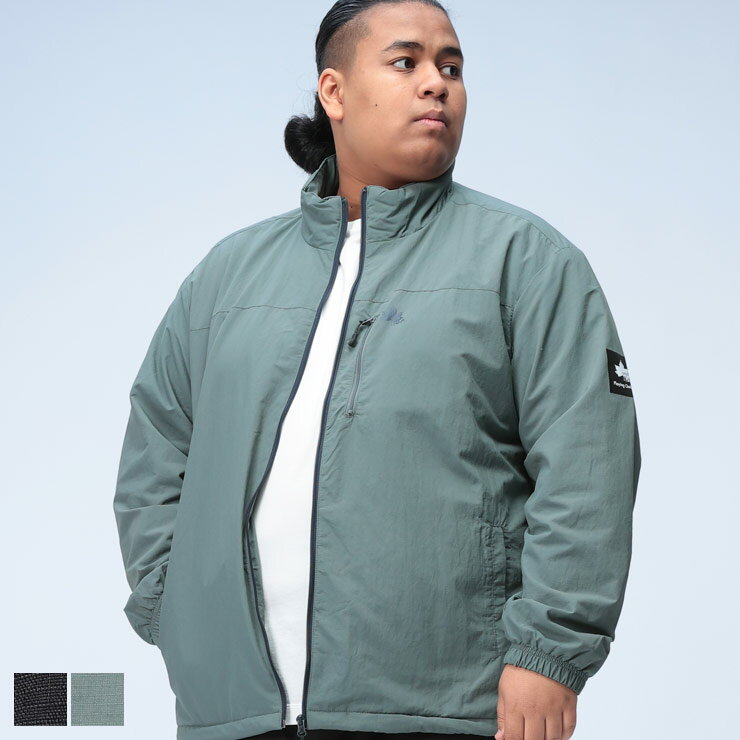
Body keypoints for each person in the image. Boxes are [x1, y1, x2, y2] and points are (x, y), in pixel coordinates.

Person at [113, 2, 641, 740]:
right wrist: (175, 609)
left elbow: (588, 466)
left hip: (444, 709)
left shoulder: (527, 261)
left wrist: (549, 653)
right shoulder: (228, 275)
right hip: (233, 713)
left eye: (451, 67)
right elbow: (157, 450)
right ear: (333, 91)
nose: (436, 83)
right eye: (406, 61)